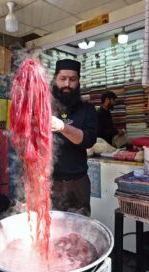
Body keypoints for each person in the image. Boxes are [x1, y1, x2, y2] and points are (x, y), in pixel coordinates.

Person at [51, 59, 97, 217]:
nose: (67, 84)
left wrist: (63, 127)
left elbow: (89, 140)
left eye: (72, 79)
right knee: (52, 231)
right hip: (50, 183)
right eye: (63, 79)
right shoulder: (45, 108)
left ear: (78, 81)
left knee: (80, 230)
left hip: (78, 183)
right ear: (55, 79)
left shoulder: (87, 109)